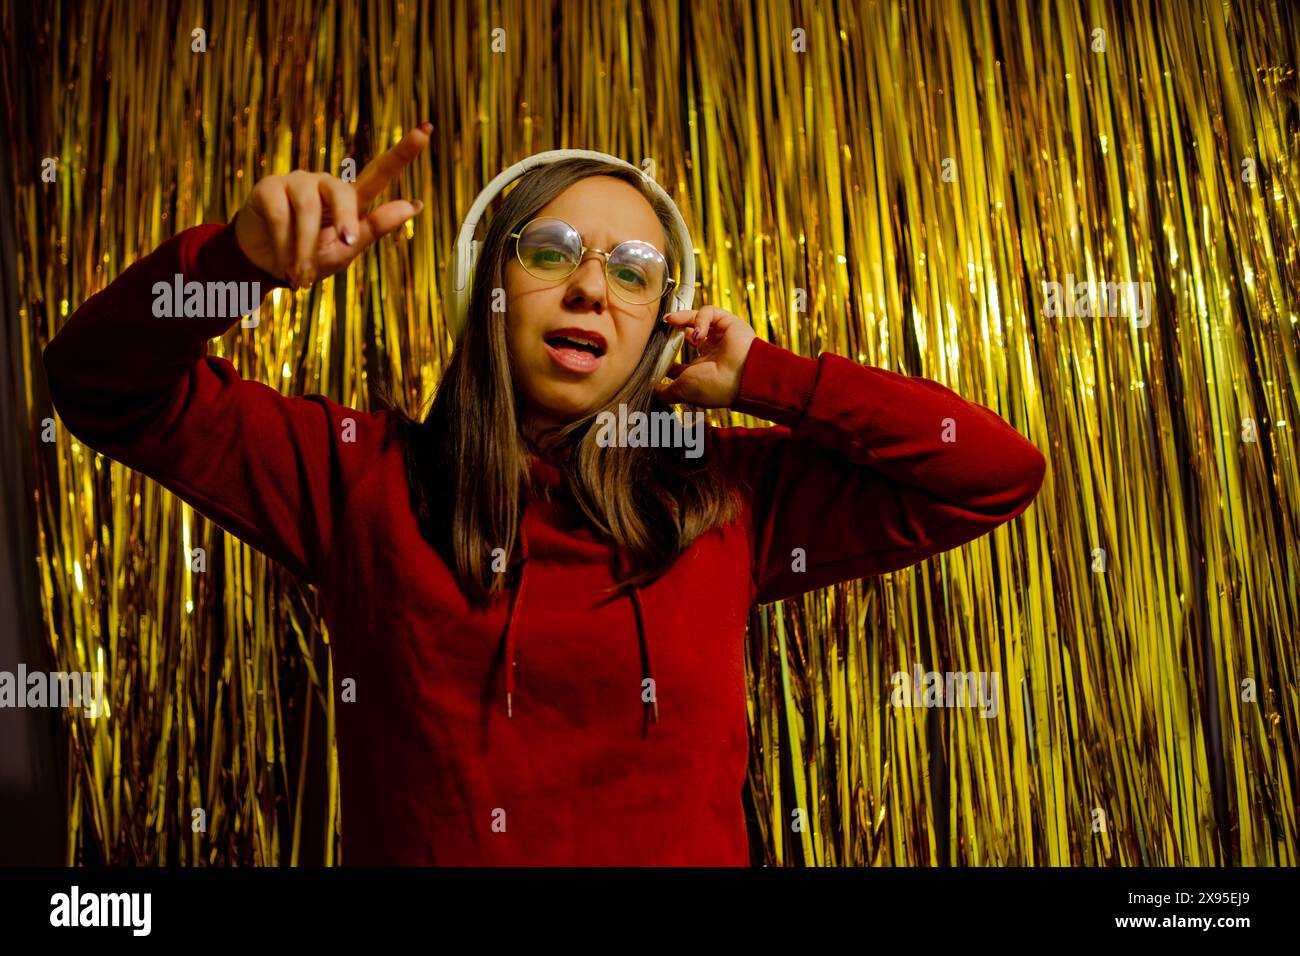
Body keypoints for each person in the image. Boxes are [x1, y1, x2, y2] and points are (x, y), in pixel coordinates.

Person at [43, 125, 1046, 865]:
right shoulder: (352, 473)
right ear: (487, 285)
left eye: (634, 271)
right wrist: (232, 264)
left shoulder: (731, 492)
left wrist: (765, 378)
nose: (590, 290)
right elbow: (101, 385)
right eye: (550, 254)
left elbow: (992, 469)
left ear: (663, 321)